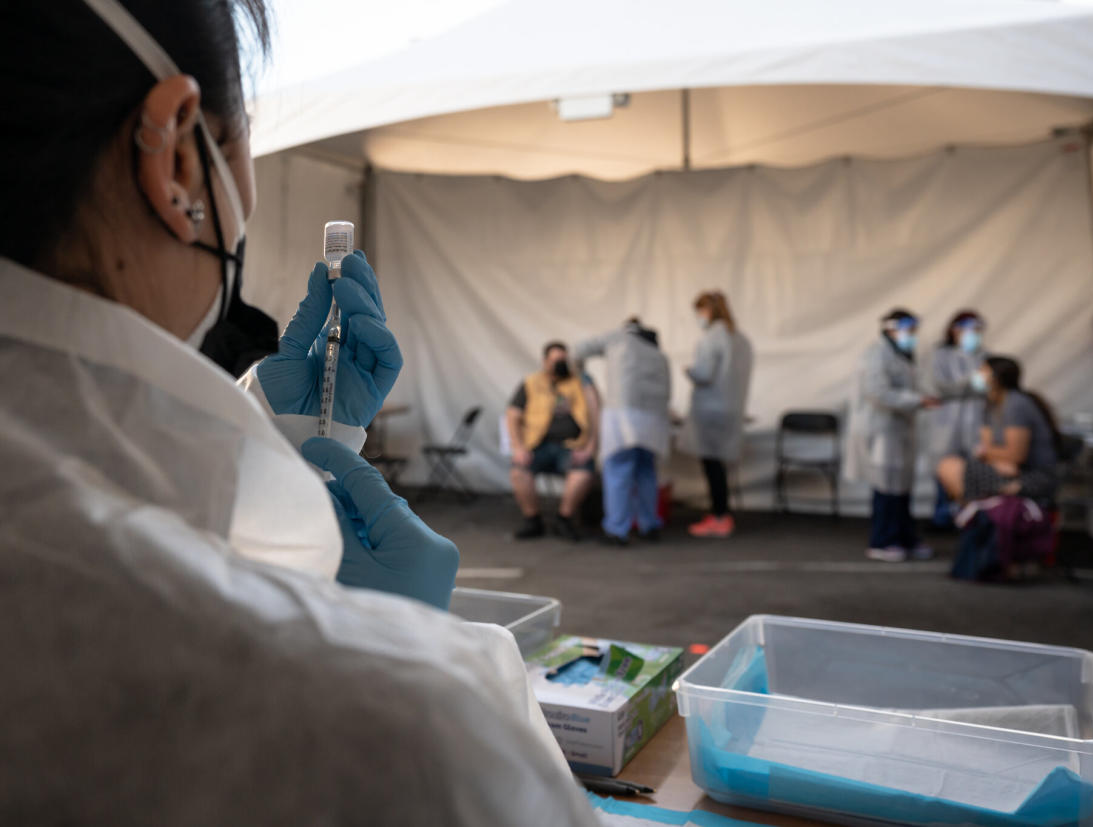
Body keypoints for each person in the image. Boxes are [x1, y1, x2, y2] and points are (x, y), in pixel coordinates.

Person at [0, 3, 598, 824]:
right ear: (175, 155)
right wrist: (412, 641)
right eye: (239, 141)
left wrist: (278, 434)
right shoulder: (394, 728)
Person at [844, 309, 940, 563]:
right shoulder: (876, 354)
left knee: (901, 485)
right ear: (890, 328)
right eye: (907, 329)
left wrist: (923, 397)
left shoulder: (903, 355)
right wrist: (918, 400)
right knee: (886, 485)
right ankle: (882, 540)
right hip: (880, 429)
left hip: (898, 428)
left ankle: (904, 536)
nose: (912, 335)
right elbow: (878, 392)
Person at [575, 317, 672, 546]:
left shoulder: (619, 338)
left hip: (623, 418)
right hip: (653, 421)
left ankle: (617, 530)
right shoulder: (659, 355)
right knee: (646, 472)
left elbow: (578, 350)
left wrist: (581, 375)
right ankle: (650, 526)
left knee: (618, 470)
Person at [938, 356, 1062, 506]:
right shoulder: (991, 405)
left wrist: (991, 455)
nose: (977, 374)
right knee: (950, 465)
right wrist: (995, 460)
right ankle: (980, 519)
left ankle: (981, 519)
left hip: (1034, 476)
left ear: (996, 377)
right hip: (1010, 469)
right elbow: (986, 448)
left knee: (951, 468)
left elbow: (1015, 455)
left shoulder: (1016, 404)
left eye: (983, 371)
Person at [506, 341, 599, 541]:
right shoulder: (531, 382)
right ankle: (533, 520)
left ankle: (563, 519)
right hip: (536, 446)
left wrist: (590, 448)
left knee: (583, 472)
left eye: (563, 360)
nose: (560, 365)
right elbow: (512, 415)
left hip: (571, 446)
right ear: (545, 361)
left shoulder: (580, 382)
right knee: (518, 471)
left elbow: (595, 413)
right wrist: (519, 448)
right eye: (556, 361)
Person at [681, 291, 753, 539]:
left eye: (699, 312)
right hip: (731, 408)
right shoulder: (740, 339)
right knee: (719, 465)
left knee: (712, 466)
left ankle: (720, 516)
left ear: (708, 311)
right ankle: (720, 513)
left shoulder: (712, 338)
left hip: (711, 411)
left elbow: (704, 374)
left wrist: (689, 371)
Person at [925, 311, 987, 528]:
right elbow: (940, 386)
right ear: (954, 329)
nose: (973, 335)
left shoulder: (985, 356)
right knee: (944, 468)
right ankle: (942, 516)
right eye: (967, 329)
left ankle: (968, 514)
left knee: (974, 467)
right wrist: (969, 383)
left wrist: (976, 386)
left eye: (976, 330)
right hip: (947, 421)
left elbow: (990, 388)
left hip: (976, 421)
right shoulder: (940, 355)